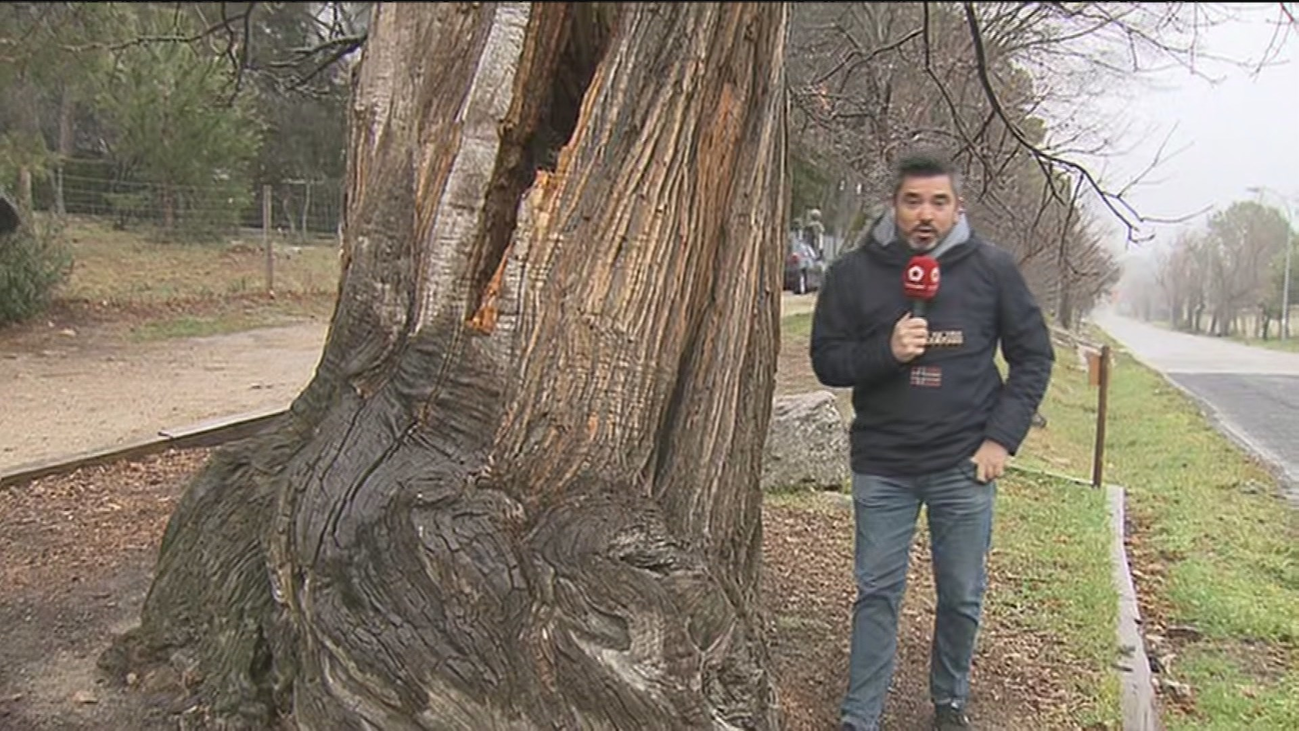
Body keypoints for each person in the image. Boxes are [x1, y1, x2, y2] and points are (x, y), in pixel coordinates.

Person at [809, 151, 1054, 731]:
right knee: (877, 594)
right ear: (893, 206)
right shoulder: (853, 273)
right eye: (913, 201)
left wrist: (1001, 441)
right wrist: (886, 352)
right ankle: (860, 716)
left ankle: (949, 705)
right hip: (883, 463)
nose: (926, 214)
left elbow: (1033, 357)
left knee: (963, 596)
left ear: (957, 207)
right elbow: (826, 359)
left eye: (938, 202)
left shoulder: (992, 269)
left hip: (964, 465)